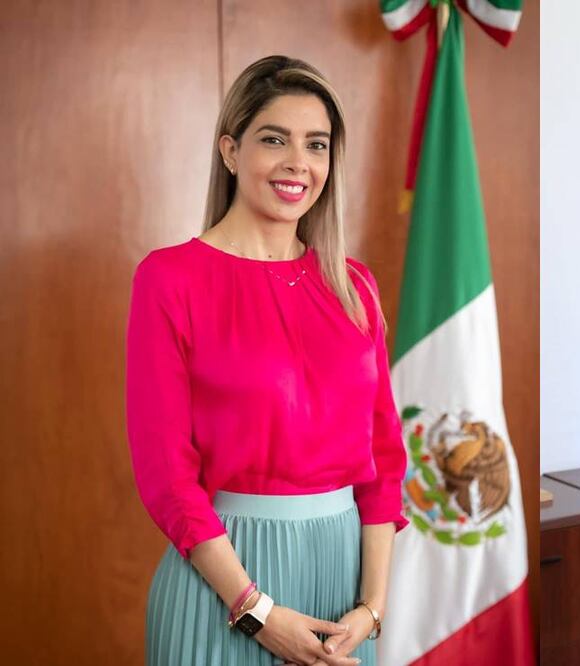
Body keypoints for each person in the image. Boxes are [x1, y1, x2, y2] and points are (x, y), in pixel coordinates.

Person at [126, 55, 406, 666]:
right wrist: (256, 610)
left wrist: (373, 608)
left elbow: (384, 460)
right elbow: (166, 476)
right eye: (274, 139)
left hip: (346, 595)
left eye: (316, 145)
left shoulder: (354, 286)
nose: (297, 164)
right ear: (230, 150)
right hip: (223, 582)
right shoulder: (169, 279)